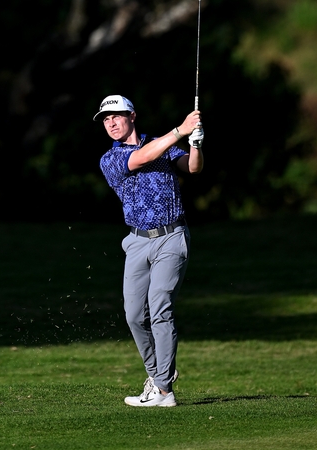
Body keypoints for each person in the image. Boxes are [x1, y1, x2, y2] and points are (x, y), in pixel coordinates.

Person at [95, 94, 204, 407]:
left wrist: (195, 143)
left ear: (132, 116)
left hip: (172, 237)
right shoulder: (110, 159)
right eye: (105, 119)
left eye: (116, 116)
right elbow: (140, 159)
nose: (111, 123)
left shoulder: (161, 143)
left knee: (160, 307)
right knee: (133, 316)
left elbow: (192, 168)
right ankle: (156, 378)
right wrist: (180, 131)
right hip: (137, 241)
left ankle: (165, 391)